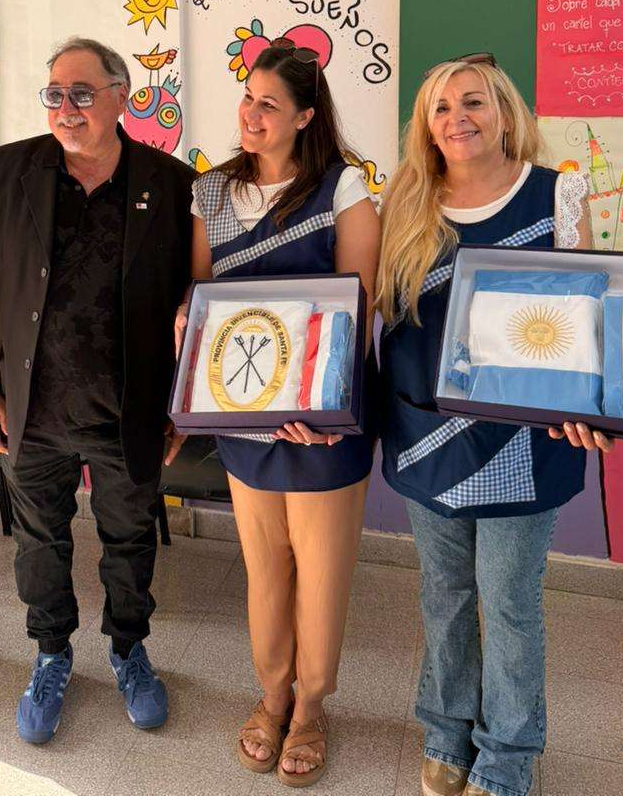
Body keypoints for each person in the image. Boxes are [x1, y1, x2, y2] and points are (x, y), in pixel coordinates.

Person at [376, 55, 612, 796]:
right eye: (441, 108)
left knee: (508, 602)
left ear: (506, 113)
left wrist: (589, 406)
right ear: (427, 126)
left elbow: (587, 319)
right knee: (445, 593)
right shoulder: (405, 198)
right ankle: (446, 730)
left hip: (525, 441)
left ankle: (507, 754)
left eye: (474, 102)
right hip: (428, 435)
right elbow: (378, 313)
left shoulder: (557, 194)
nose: (458, 118)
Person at [0, 37, 194, 745]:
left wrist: (181, 404)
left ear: (122, 97)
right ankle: (52, 652)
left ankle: (128, 649)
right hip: (30, 408)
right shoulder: (8, 171)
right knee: (39, 540)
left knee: (130, 538)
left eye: (83, 94)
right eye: (55, 94)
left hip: (129, 410)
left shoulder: (171, 183)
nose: (66, 108)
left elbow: (192, 300)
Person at [182, 41, 381, 787]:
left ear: (304, 116)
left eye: (269, 103)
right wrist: (185, 324)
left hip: (323, 424)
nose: (252, 113)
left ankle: (311, 708)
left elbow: (359, 309)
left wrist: (321, 409)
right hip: (246, 422)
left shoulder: (342, 189)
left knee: (321, 570)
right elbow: (201, 297)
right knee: (265, 565)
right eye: (248, 98)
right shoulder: (210, 192)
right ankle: (272, 695)